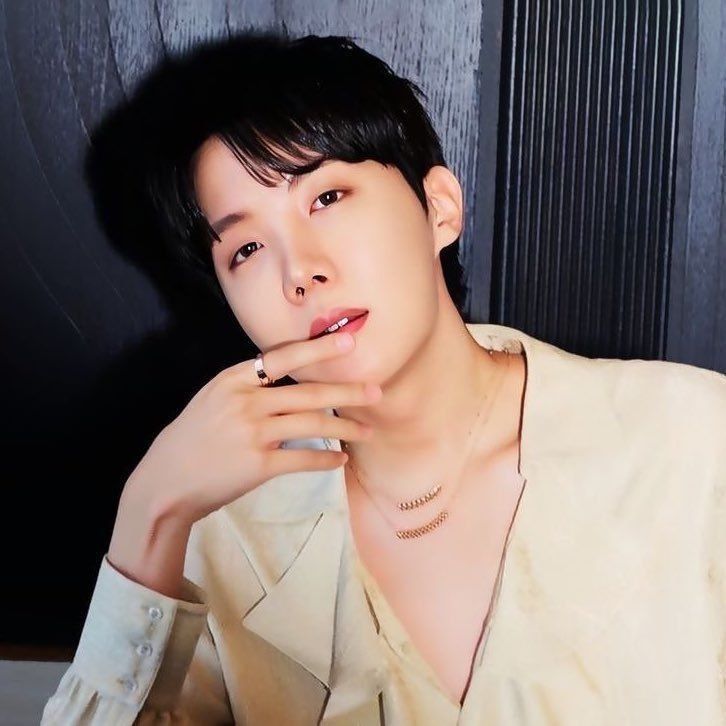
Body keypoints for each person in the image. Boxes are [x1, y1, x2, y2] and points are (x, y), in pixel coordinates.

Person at [42, 31, 725, 725]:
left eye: (327, 197)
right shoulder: (218, 540)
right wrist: (150, 511)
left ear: (439, 208)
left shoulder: (694, 440)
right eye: (246, 248)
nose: (300, 271)